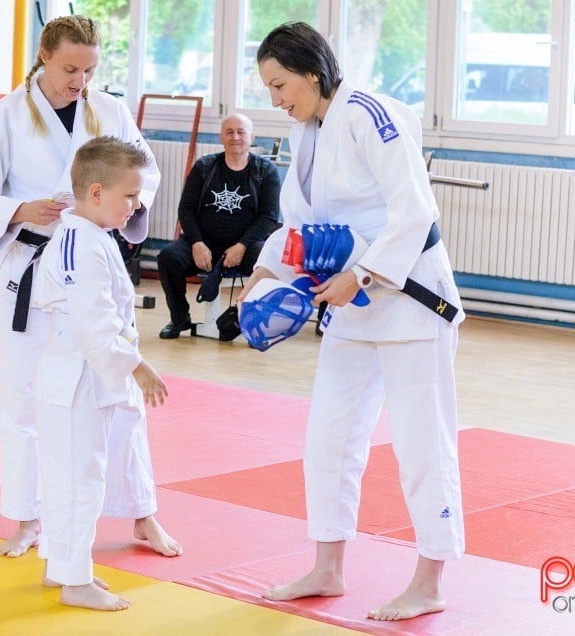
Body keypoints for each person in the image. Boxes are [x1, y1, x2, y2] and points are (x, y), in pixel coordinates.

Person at [239, 22, 466, 622]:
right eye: (268, 88)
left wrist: (363, 274)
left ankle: (430, 579)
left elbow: (414, 209)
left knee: (422, 442)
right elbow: (301, 222)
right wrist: (264, 275)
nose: (276, 100)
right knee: (330, 438)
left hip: (410, 295)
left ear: (312, 72)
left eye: (280, 84)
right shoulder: (307, 133)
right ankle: (328, 566)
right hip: (350, 302)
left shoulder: (369, 113)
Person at [0, 15, 179, 561]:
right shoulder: (4, 116)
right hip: (29, 269)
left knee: (121, 391)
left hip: (96, 266)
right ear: (44, 57)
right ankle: (29, 518)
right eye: (70, 68)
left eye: (90, 69)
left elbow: (145, 175)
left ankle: (141, 511)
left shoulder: (111, 110)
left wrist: (116, 206)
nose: (80, 80)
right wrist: (21, 209)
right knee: (24, 396)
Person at [31, 136, 169, 611]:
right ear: (95, 192)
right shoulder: (79, 244)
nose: (136, 205)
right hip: (77, 378)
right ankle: (74, 579)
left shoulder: (90, 236)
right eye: (129, 196)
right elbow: (94, 322)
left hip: (79, 375)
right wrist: (138, 365)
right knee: (79, 480)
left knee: (69, 477)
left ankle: (62, 565)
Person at [156, 113, 281, 339]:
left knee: (267, 258)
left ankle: (253, 323)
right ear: (221, 137)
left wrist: (242, 245)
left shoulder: (266, 171)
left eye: (241, 132)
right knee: (168, 257)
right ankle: (179, 319)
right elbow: (186, 208)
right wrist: (196, 242)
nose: (235, 137)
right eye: (229, 132)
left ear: (252, 137)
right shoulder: (204, 167)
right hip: (203, 244)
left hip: (246, 247)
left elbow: (269, 217)